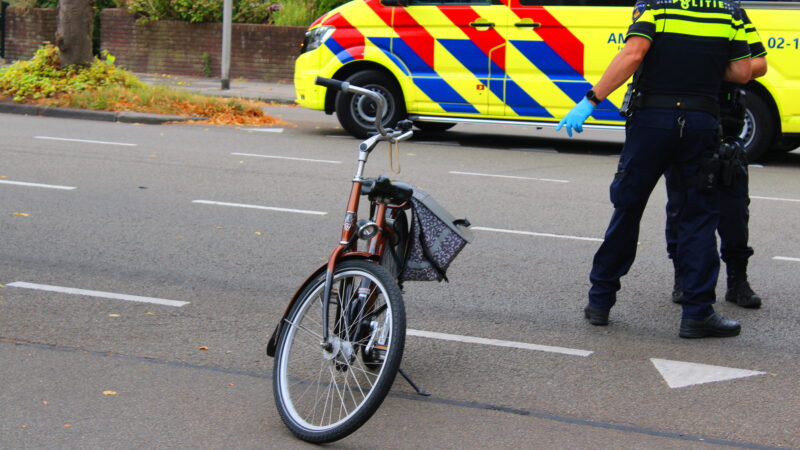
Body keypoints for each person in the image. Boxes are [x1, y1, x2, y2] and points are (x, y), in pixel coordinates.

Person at [555, 0, 752, 338]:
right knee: (698, 218)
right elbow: (742, 72)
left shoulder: (656, 7)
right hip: (700, 123)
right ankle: (697, 314)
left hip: (652, 122)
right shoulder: (728, 13)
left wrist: (590, 100)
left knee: (628, 210)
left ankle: (600, 302)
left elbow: (634, 55)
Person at [668, 7, 768, 310]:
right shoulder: (663, 9)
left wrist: (707, 66)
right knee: (681, 204)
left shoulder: (731, 12)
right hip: (684, 118)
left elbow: (759, 63)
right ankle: (683, 277)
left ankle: (737, 281)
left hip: (725, 122)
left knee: (734, 206)